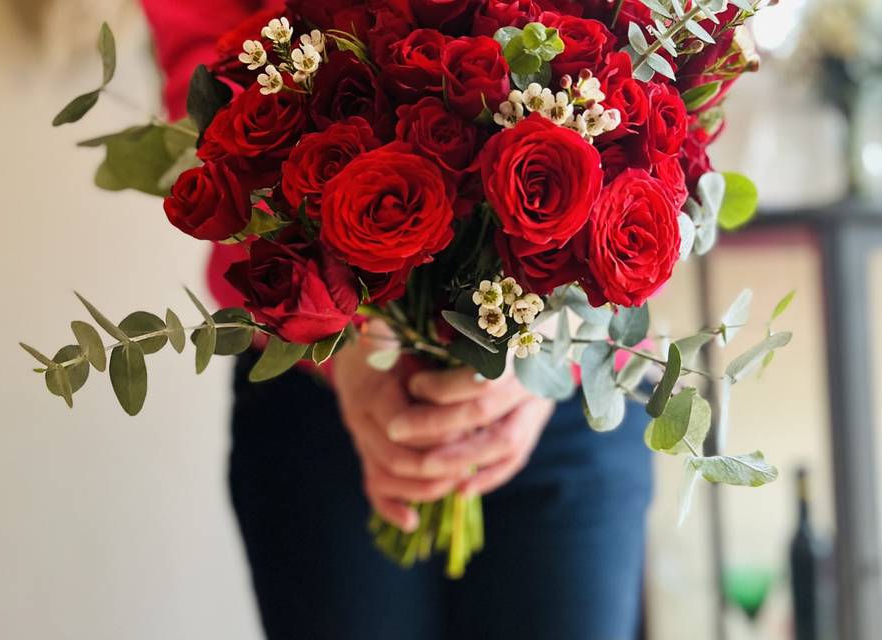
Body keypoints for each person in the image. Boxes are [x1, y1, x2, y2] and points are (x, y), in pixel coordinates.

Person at [141, 2, 654, 638]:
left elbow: (657, 58)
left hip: (573, 380)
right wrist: (331, 320)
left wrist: (551, 324)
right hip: (318, 391)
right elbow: (203, 49)